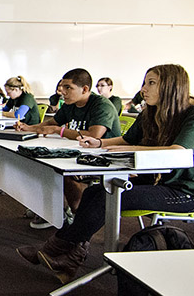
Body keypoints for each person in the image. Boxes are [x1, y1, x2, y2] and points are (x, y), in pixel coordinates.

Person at [16, 64, 194, 284]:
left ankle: (55, 248)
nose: (143, 89)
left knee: (107, 196)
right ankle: (70, 257)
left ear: (171, 86)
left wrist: (129, 149)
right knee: (94, 192)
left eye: (151, 83)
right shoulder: (152, 112)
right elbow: (127, 140)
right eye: (144, 82)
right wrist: (100, 142)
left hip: (182, 191)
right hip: (153, 181)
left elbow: (178, 153)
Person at [15, 69, 121, 228]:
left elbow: (94, 135)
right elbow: (52, 124)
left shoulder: (101, 105)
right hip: (79, 151)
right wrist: (29, 128)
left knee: (58, 169)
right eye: (62, 87)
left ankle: (75, 217)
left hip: (103, 156)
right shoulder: (70, 104)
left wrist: (60, 131)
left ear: (85, 89)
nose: (62, 91)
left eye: (68, 88)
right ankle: (50, 208)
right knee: (39, 162)